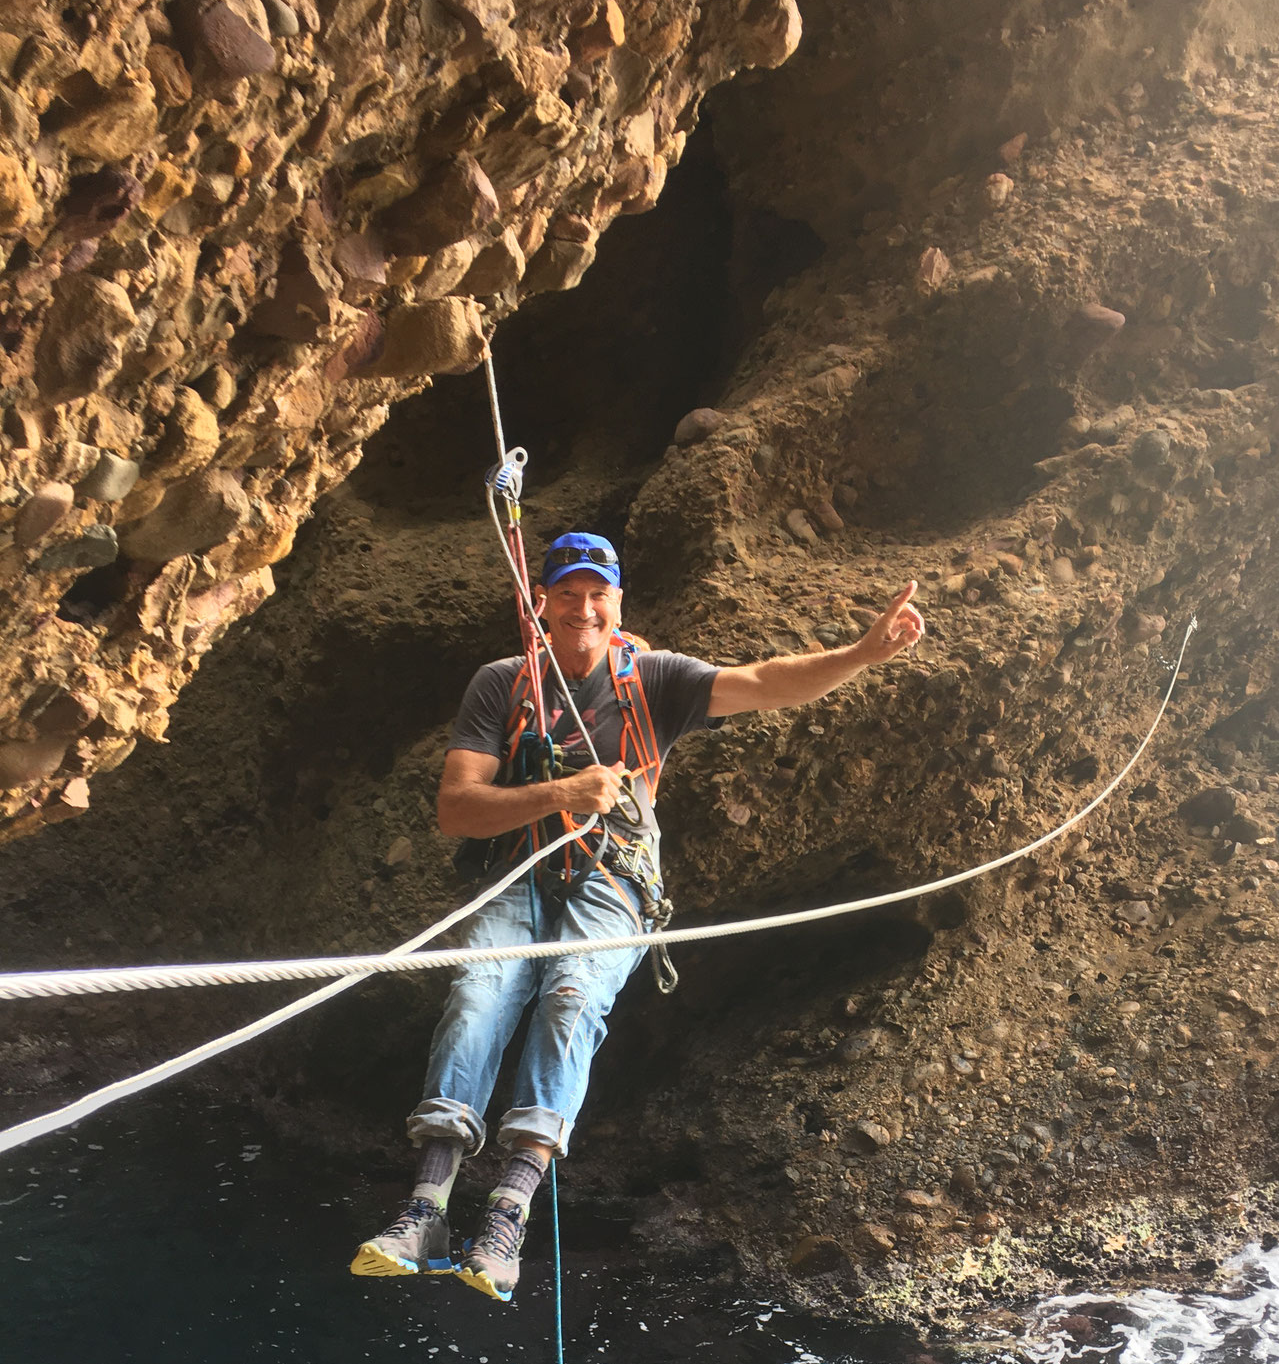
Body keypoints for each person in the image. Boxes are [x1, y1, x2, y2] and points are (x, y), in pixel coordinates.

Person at [350, 530, 925, 1302]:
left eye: (599, 595)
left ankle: (508, 1213)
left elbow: (764, 681)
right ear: (542, 605)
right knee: (476, 996)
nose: (584, 608)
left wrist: (858, 654)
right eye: (568, 595)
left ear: (617, 605)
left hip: (611, 879)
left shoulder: (654, 679)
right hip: (517, 874)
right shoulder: (502, 683)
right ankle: (426, 1209)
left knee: (571, 998)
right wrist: (559, 794)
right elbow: (457, 808)